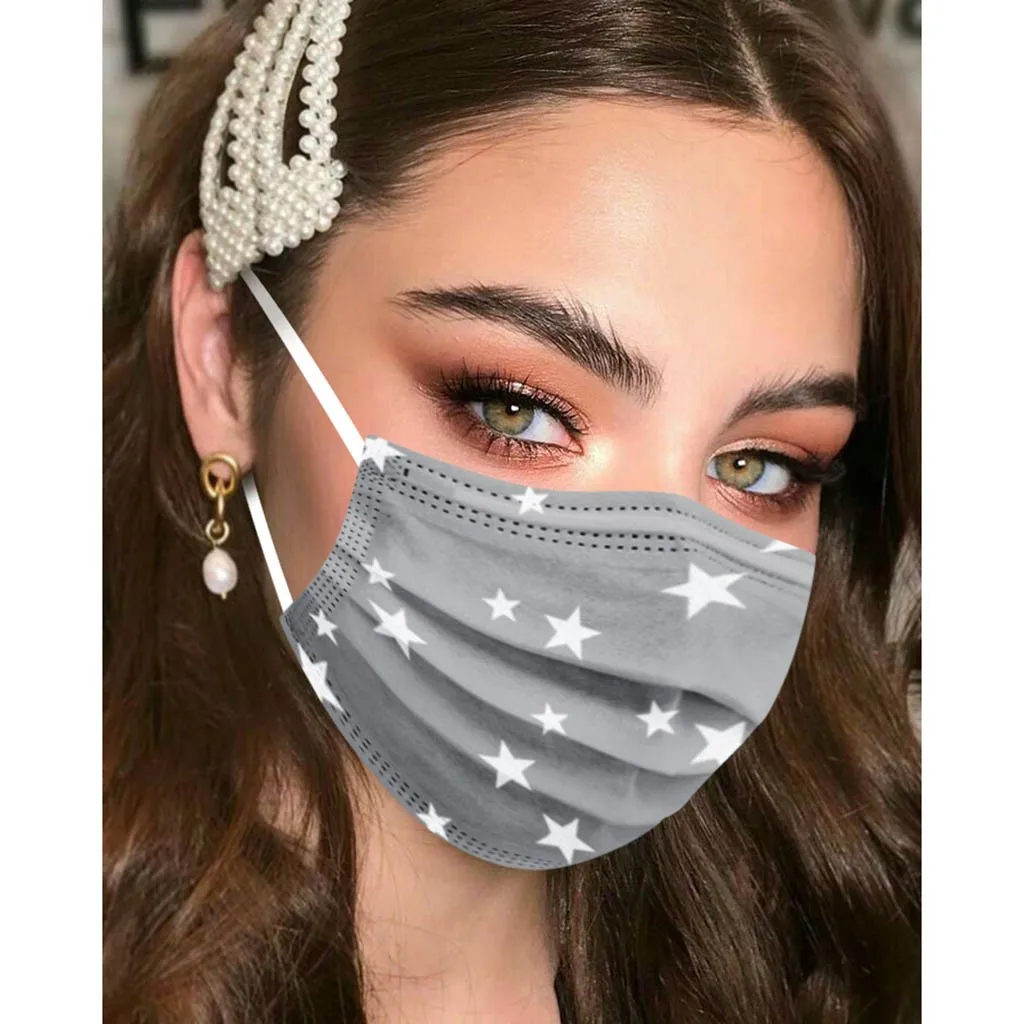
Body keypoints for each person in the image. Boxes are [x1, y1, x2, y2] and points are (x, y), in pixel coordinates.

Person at [102, 0, 921, 1021]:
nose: (656, 583)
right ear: (223, 360)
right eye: (515, 409)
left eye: (758, 466)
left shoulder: (835, 958)